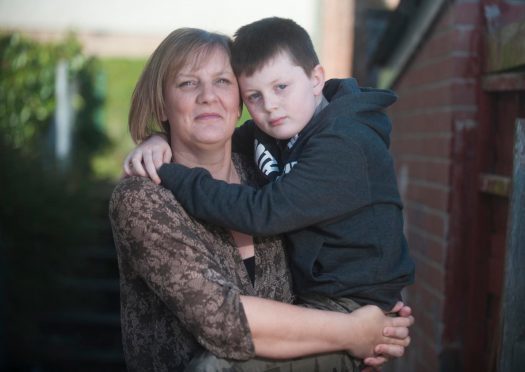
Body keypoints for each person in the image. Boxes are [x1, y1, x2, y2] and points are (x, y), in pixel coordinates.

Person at [111, 27, 413, 372]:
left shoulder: (267, 171)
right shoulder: (144, 197)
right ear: (162, 103)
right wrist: (354, 332)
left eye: (222, 81)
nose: (208, 96)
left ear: (236, 99)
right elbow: (223, 320)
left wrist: (368, 326)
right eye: (188, 83)